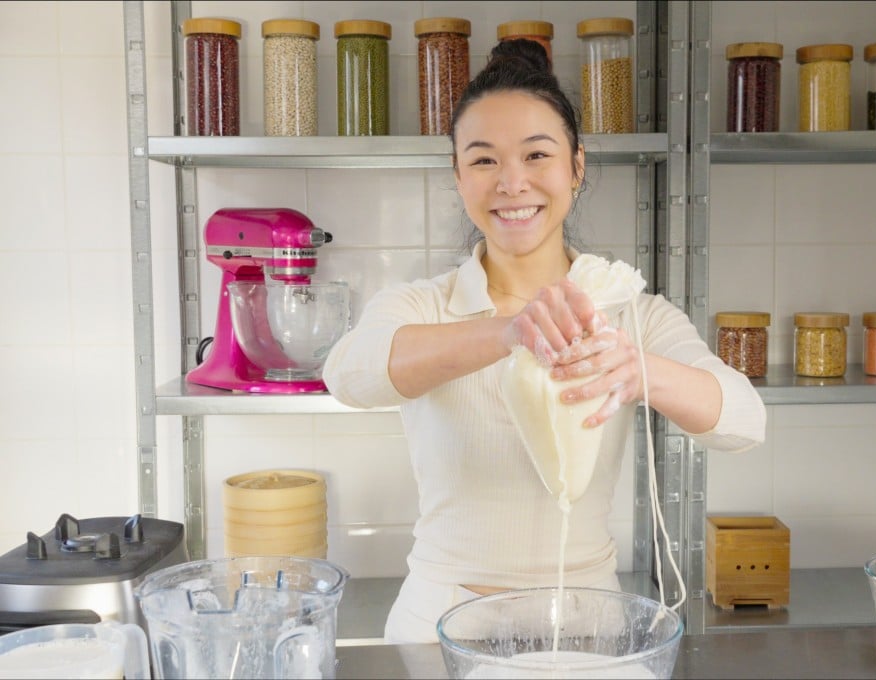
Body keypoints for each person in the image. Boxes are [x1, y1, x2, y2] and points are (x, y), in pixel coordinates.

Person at [322, 38, 766, 644]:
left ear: (576, 166)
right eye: (484, 160)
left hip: (586, 621)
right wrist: (508, 331)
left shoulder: (630, 313)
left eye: (536, 155)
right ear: (458, 175)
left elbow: (744, 422)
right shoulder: (424, 306)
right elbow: (349, 374)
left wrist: (640, 371)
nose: (512, 183)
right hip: (439, 621)